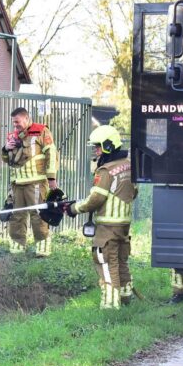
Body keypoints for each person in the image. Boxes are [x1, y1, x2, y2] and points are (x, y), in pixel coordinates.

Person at [63, 125, 137, 309]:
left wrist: (73, 208)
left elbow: (96, 199)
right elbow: (134, 192)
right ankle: (126, 298)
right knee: (121, 261)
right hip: (124, 225)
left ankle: (110, 305)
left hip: (107, 227)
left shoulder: (105, 170)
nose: (95, 150)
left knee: (105, 262)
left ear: (108, 146)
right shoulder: (129, 165)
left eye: (98, 146)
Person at [1, 107, 58, 256]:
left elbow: (51, 153)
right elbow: (8, 161)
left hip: (36, 182)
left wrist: (51, 178)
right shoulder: (12, 136)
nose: (15, 126)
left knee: (38, 215)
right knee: (15, 216)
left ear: (26, 118)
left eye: (18, 122)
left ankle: (43, 250)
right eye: (13, 123)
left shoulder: (41, 131)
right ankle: (17, 249)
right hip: (17, 184)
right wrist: (5, 149)